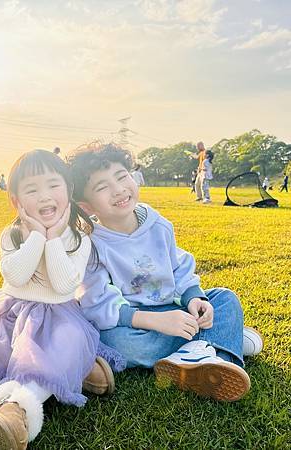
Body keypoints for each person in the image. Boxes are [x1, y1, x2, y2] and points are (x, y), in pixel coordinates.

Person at [0, 149, 123, 450]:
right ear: (17, 201)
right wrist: (36, 236)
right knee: (11, 354)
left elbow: (63, 283)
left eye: (53, 185)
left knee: (62, 346)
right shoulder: (12, 235)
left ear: (68, 190)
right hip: (9, 315)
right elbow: (16, 276)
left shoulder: (78, 238)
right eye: (32, 189)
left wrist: (54, 238)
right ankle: (79, 371)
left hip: (58, 317)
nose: (44, 196)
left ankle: (15, 411)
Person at [68, 143, 263, 402]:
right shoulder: (91, 244)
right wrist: (155, 321)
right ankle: (219, 340)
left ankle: (208, 356)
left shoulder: (158, 224)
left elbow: (178, 265)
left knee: (224, 297)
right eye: (102, 187)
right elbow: (98, 304)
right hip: (135, 322)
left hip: (174, 310)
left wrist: (195, 298)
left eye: (122, 176)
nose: (118, 190)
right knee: (114, 342)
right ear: (87, 206)